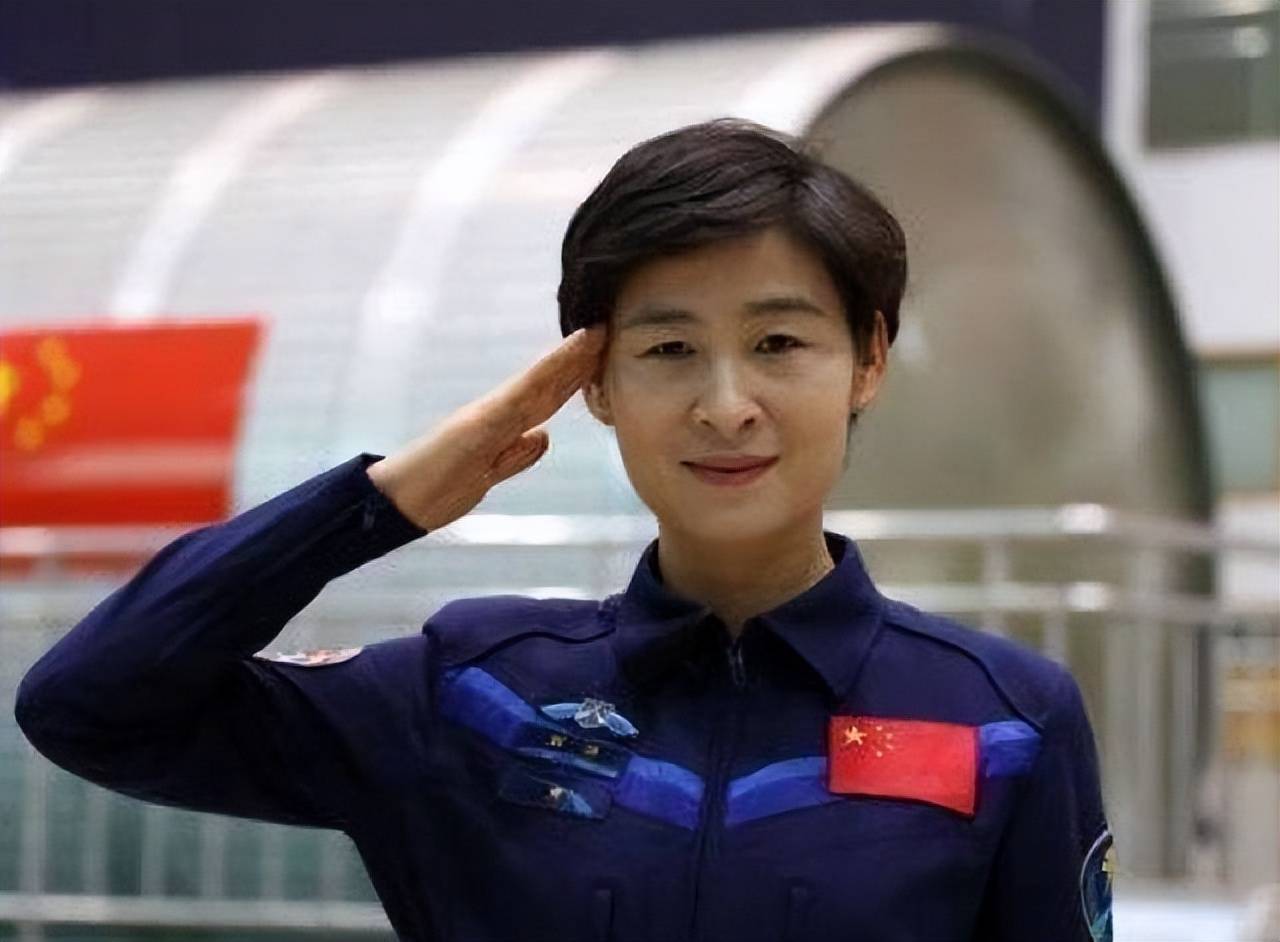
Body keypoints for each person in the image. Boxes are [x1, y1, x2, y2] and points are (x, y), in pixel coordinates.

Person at [13, 117, 1113, 942]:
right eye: (668, 350)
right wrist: (381, 501)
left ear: (867, 359)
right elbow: (88, 706)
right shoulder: (468, 695)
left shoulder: (1002, 721)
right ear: (593, 382)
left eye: (778, 344)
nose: (726, 405)